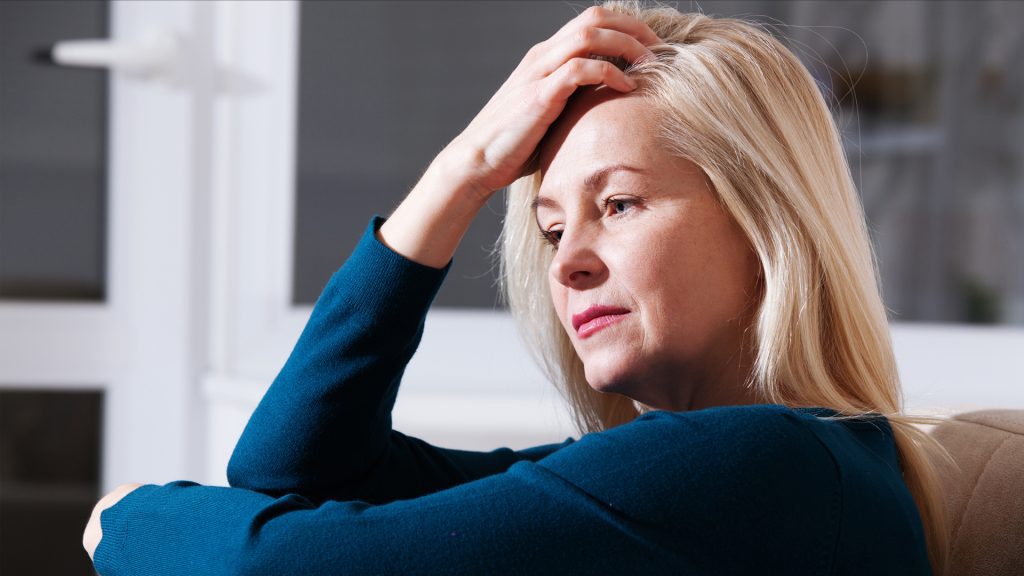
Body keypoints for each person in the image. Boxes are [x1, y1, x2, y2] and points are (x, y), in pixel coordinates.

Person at [83, 2, 952, 574]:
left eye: (619, 204)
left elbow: (273, 565)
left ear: (766, 222)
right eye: (551, 229)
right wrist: (461, 171)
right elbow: (292, 470)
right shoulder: (759, 469)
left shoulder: (766, 467)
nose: (567, 263)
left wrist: (127, 519)